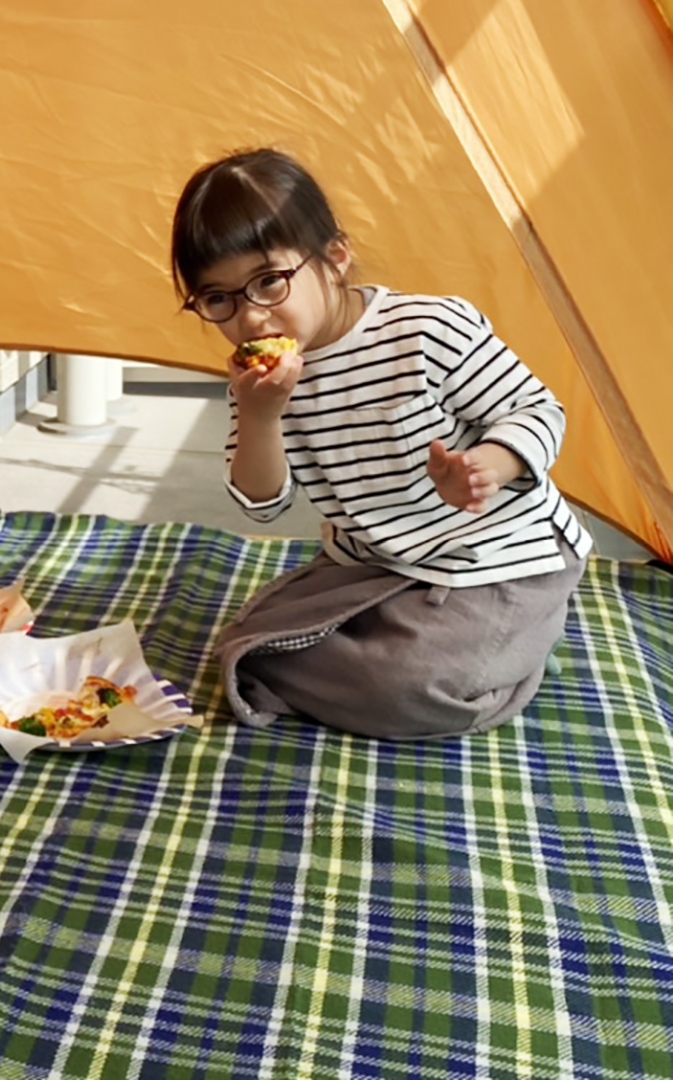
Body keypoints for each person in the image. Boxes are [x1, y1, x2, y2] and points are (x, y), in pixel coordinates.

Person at [171, 147, 589, 740]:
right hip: (375, 561)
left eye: (269, 282)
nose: (252, 319)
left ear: (334, 258)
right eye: (219, 299)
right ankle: (433, 649)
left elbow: (539, 410)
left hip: (497, 559)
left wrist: (488, 467)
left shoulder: (428, 330)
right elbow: (262, 504)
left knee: (409, 685)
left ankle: (507, 662)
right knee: (247, 643)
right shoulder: (256, 382)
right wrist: (262, 418)